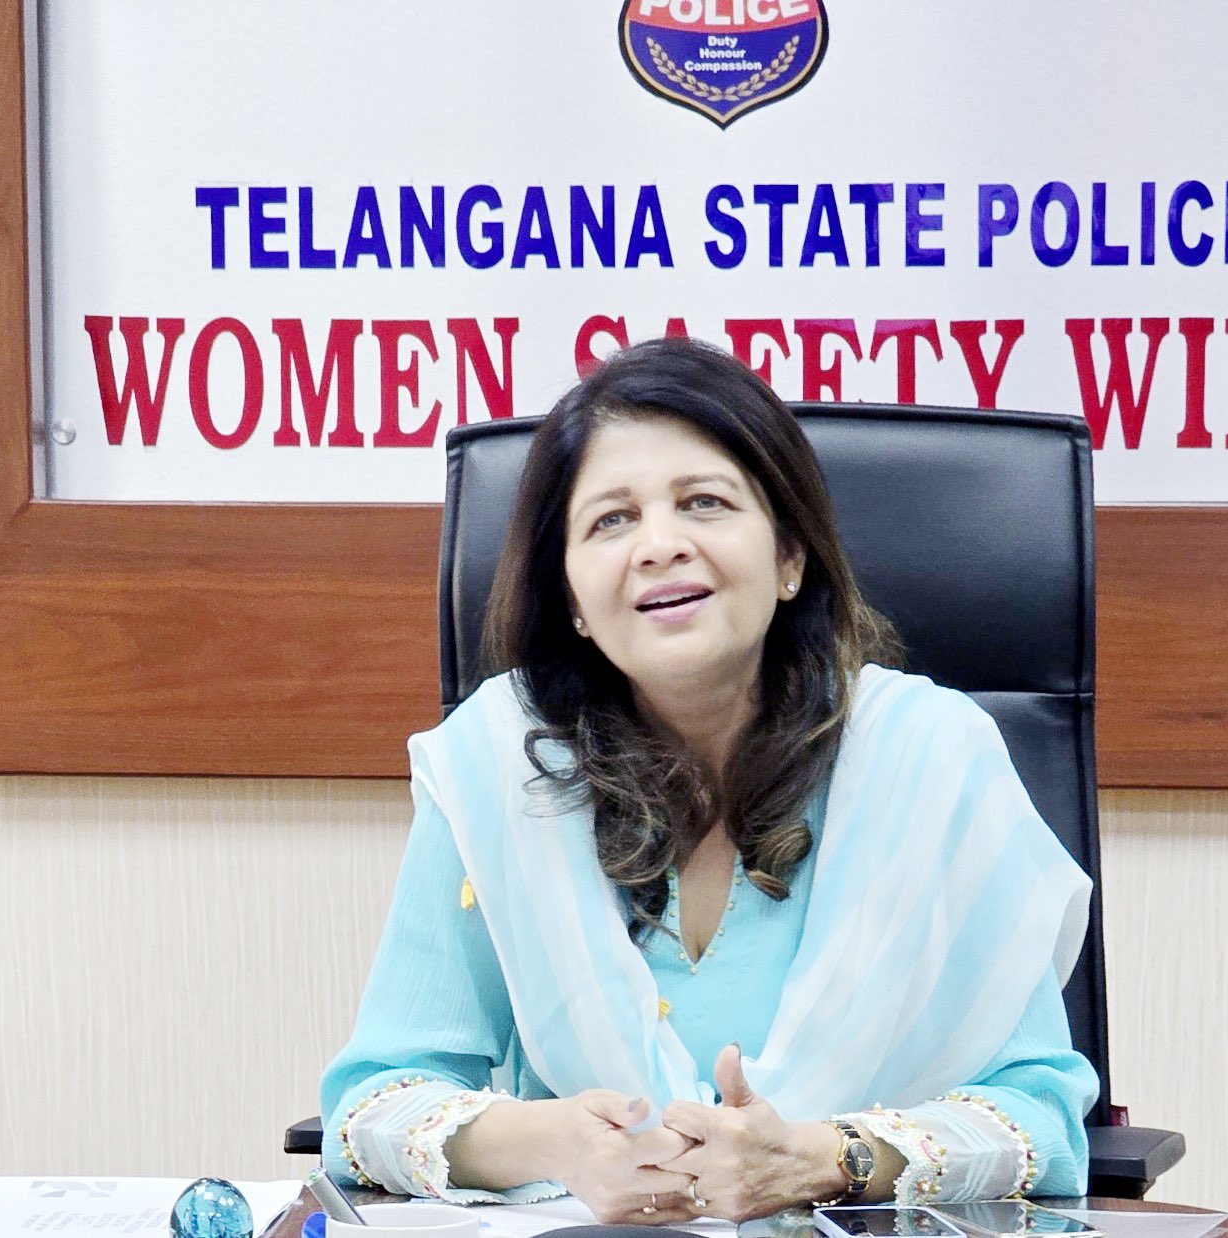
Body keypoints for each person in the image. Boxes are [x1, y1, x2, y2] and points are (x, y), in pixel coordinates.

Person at [321, 337, 1098, 1224]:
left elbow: (1038, 1122)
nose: (659, 546)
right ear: (572, 597)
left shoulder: (931, 756)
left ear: (790, 557)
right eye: (611, 520)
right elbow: (371, 1108)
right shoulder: (502, 766)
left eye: (704, 503)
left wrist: (826, 1157)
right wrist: (548, 1143)